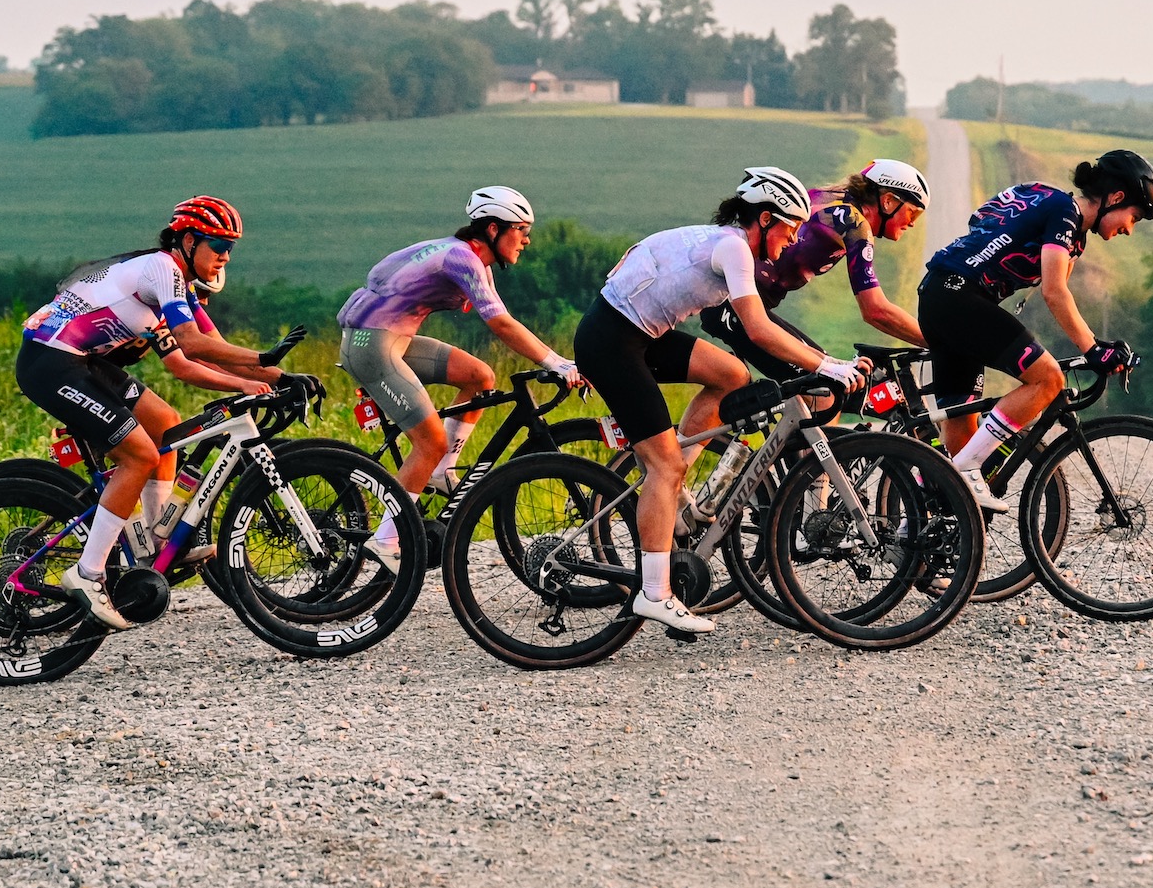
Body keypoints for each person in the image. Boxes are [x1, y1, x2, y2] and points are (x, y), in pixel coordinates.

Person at [572, 167, 870, 636]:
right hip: (613, 342)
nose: (793, 241)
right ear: (767, 218)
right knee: (662, 467)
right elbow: (758, 328)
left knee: (731, 374)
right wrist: (825, 366)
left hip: (636, 333)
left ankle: (677, 475)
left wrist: (824, 359)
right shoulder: (734, 247)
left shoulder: (726, 240)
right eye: (790, 229)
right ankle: (654, 594)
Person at [16, 196, 284, 629]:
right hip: (49, 361)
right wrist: (256, 365)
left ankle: (156, 534)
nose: (225, 257)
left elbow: (201, 357)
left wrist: (280, 377)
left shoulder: (175, 284)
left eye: (231, 248)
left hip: (82, 361)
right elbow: (194, 348)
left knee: (164, 421)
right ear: (189, 240)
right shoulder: (162, 268)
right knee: (140, 455)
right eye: (218, 245)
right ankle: (87, 575)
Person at [337, 187, 585, 573]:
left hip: (392, 338)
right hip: (372, 344)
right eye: (521, 229)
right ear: (492, 228)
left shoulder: (471, 259)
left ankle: (439, 471)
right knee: (430, 440)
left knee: (481, 377)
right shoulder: (462, 257)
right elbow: (500, 322)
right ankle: (387, 539)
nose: (527, 239)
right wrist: (555, 362)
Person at [919, 150, 1153, 512]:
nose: (1130, 228)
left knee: (962, 435)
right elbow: (1053, 291)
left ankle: (916, 537)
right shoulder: (1064, 211)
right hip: (959, 298)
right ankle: (967, 472)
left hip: (941, 296)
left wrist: (1097, 345)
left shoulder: (1074, 233)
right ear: (1116, 198)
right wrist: (1093, 350)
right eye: (1134, 217)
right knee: (1048, 380)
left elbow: (1060, 293)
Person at [699, 158, 930, 380]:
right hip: (737, 306)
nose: (912, 223)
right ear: (888, 201)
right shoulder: (854, 223)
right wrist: (942, 343)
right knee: (826, 390)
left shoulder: (832, 197)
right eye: (913, 212)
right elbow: (876, 311)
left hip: (735, 301)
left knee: (737, 384)